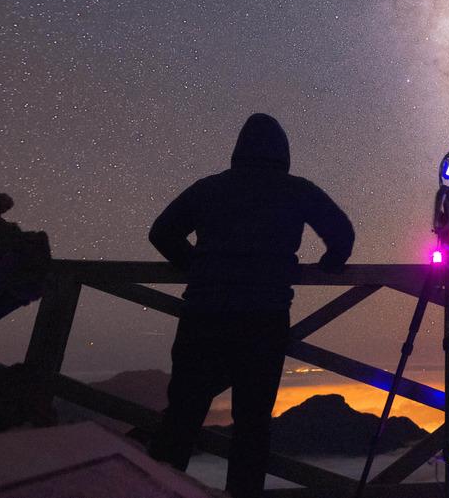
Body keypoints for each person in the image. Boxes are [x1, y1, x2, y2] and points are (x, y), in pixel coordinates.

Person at [147, 113, 354, 498]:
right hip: (263, 318)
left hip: (203, 315)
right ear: (284, 153)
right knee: (252, 425)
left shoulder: (210, 188)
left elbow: (161, 232)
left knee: (183, 416)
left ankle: (155, 488)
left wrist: (198, 265)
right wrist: (328, 265)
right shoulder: (296, 190)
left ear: (238, 150)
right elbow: (342, 236)